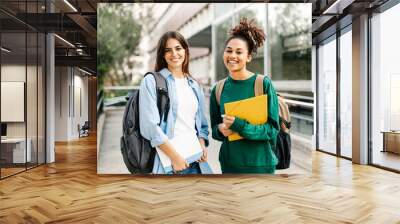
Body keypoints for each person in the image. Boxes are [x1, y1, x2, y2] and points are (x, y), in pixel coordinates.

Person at [209, 18, 280, 174]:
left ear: (248, 57)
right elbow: (214, 129)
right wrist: (220, 129)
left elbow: (272, 130)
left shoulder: (263, 84)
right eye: (229, 50)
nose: (232, 55)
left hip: (261, 165)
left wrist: (240, 126)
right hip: (229, 165)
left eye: (239, 52)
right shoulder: (218, 89)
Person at [139, 31, 210, 174]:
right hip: (169, 165)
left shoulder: (194, 85)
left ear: (185, 51)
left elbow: (201, 124)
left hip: (196, 161)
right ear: (162, 55)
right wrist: (175, 157)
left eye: (178, 48)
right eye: (168, 50)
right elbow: (149, 126)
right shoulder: (151, 81)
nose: (174, 54)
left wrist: (202, 143)